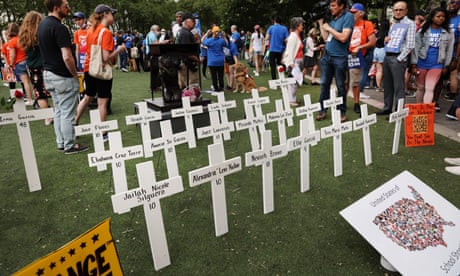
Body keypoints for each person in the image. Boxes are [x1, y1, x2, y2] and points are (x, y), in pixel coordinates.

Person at [38, 0, 88, 154]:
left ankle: (61, 142)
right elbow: (67, 56)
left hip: (48, 74)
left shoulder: (42, 25)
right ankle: (69, 145)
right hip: (62, 75)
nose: (69, 9)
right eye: (66, 6)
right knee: (67, 112)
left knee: (59, 111)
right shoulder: (59, 28)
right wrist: (75, 75)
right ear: (56, 7)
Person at [74, 4, 126, 142]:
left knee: (87, 97)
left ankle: (75, 121)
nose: (113, 17)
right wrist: (120, 49)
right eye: (112, 14)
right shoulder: (106, 32)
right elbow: (105, 57)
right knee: (102, 102)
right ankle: (103, 133)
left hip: (88, 68)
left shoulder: (90, 30)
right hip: (101, 70)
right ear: (105, 14)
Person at [316, 0, 354, 122]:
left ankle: (341, 112)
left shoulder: (348, 17)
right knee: (324, 84)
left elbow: (343, 37)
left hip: (340, 57)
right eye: (330, 5)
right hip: (327, 56)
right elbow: (327, 38)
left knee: (341, 86)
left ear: (341, 6)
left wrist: (329, 28)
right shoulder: (332, 19)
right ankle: (322, 110)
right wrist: (322, 24)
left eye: (333, 6)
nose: (330, 8)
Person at [376, 1, 415, 116]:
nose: (397, 12)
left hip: (398, 57)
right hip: (387, 56)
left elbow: (410, 44)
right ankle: (387, 107)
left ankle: (399, 111)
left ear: (406, 11)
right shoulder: (392, 22)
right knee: (387, 84)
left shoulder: (410, 23)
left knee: (399, 86)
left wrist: (400, 58)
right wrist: (385, 40)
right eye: (395, 10)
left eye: (400, 10)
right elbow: (388, 39)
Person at [411, 8, 454, 104]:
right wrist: (413, 64)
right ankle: (419, 110)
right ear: (432, 17)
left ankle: (425, 112)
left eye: (443, 17)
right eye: (438, 16)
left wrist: (446, 65)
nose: (441, 18)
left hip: (437, 64)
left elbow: (449, 50)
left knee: (430, 88)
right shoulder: (423, 30)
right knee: (420, 88)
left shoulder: (448, 32)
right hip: (421, 62)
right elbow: (416, 47)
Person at [18, 11, 53, 124]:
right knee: (53, 91)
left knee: (40, 94)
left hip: (33, 68)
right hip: (46, 65)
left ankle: (47, 117)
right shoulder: (41, 33)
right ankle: (55, 115)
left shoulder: (24, 36)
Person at [348, 3, 376, 114]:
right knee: (344, 81)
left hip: (357, 57)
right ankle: (342, 102)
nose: (351, 14)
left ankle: (356, 103)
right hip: (345, 55)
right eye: (351, 12)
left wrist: (359, 47)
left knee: (355, 81)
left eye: (354, 12)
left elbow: (372, 42)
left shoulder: (367, 24)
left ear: (361, 13)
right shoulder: (347, 24)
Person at [3, 23, 34, 104]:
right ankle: (36, 97)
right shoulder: (22, 39)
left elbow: (12, 55)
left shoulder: (11, 42)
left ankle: (30, 99)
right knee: (32, 81)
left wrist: (11, 64)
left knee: (25, 82)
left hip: (19, 63)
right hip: (28, 61)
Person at [282, 17, 305, 107]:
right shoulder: (293, 37)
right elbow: (290, 50)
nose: (302, 26)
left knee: (295, 82)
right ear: (297, 26)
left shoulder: (297, 36)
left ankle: (292, 99)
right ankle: (290, 100)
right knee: (293, 82)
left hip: (298, 60)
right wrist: (291, 63)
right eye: (301, 24)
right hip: (294, 61)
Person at [202, 26, 227, 92]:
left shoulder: (209, 41)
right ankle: (221, 87)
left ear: (212, 32)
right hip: (220, 61)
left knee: (214, 76)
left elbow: (202, 41)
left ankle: (216, 88)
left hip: (212, 61)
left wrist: (206, 34)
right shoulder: (221, 40)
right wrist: (224, 36)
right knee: (220, 75)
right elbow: (227, 44)